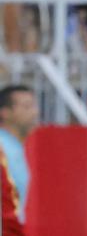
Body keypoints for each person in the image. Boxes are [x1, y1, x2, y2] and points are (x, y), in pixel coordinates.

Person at [0, 84, 37, 222]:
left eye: (34, 106)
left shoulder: (16, 148)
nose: (35, 112)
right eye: (27, 107)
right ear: (5, 112)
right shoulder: (2, 149)